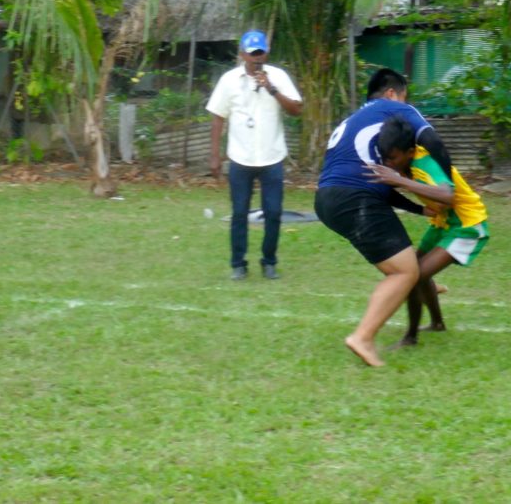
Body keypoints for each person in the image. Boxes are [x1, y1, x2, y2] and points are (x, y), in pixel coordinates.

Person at [314, 68, 455, 367]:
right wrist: (449, 186)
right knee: (405, 271)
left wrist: (419, 209)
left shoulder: (355, 119)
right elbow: (434, 141)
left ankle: (420, 284)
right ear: (393, 93)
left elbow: (378, 180)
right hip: (354, 198)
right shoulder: (397, 109)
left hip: (327, 198)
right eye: (405, 97)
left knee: (401, 265)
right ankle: (363, 337)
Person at [370, 115, 490, 347]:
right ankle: (436, 323)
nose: (389, 164)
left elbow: (448, 195)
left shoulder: (423, 164)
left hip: (467, 225)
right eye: (385, 159)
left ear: (409, 151)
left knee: (413, 277)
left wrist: (400, 181)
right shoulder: (403, 166)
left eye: (393, 158)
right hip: (443, 223)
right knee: (412, 270)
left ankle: (410, 337)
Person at [207, 30, 303, 280]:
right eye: (252, 54)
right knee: (239, 213)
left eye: (260, 53)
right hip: (241, 159)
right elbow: (218, 117)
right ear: (242, 55)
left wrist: (272, 90)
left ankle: (269, 261)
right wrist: (214, 155)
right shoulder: (229, 80)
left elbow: (296, 109)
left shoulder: (278, 77)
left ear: (266, 53)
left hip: (272, 158)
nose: (256, 58)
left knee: (273, 212)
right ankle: (238, 264)